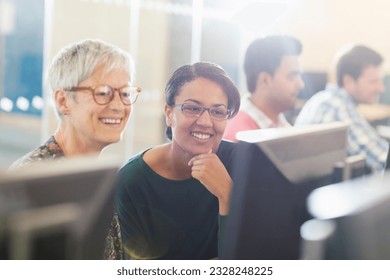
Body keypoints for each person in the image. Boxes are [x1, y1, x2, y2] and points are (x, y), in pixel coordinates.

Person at [9, 39, 141, 259]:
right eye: (103, 93)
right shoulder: (38, 180)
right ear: (63, 101)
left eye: (125, 93)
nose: (119, 105)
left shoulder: (94, 176)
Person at [115, 62, 241, 259]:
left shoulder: (241, 162)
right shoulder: (133, 181)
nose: (206, 122)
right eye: (192, 108)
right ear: (169, 114)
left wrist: (227, 194)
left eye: (217, 112)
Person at [295, 45, 389, 173]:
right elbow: (381, 160)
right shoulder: (335, 107)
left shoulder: (326, 99)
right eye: (373, 82)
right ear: (348, 80)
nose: (381, 88)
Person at [223, 35, 304, 142]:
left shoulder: (281, 125)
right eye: (292, 76)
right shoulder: (238, 138)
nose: (301, 84)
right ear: (265, 80)